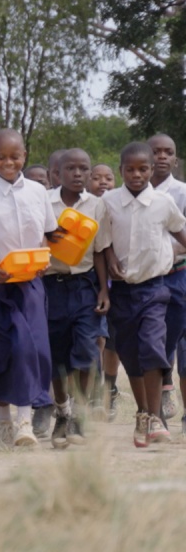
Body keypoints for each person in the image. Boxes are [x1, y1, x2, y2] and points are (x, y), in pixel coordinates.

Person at [0, 129, 60, 447]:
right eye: (2, 157)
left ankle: (24, 421)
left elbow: (46, 233)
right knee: (1, 351)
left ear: (24, 157)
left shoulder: (37, 192)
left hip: (29, 283)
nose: (8, 162)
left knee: (29, 348)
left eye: (14, 157)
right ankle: (3, 417)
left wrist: (45, 257)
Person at [103, 141, 186, 446]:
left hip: (155, 289)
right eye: (130, 169)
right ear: (120, 170)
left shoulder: (163, 203)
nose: (136, 175)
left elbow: (180, 230)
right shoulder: (109, 203)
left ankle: (155, 417)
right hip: (123, 292)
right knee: (130, 355)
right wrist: (110, 259)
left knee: (153, 347)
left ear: (152, 170)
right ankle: (143, 413)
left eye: (143, 169)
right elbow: (103, 242)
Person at [43, 148, 110, 448]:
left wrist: (104, 289)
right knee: (57, 357)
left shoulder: (97, 205)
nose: (78, 174)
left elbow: (100, 251)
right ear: (58, 172)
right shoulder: (45, 202)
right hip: (50, 286)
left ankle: (80, 415)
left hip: (84, 286)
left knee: (85, 351)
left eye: (84, 168)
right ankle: (62, 411)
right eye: (71, 168)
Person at [148, 133, 186, 427]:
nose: (162, 156)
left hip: (177, 275)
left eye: (168, 152)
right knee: (151, 340)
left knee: (176, 339)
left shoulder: (183, 193)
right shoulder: (132, 192)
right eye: (156, 151)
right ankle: (155, 405)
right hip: (145, 279)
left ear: (175, 158)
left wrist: (165, 251)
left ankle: (168, 384)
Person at [88, 162, 121, 419]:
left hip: (119, 282)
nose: (102, 182)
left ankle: (110, 386)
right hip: (94, 281)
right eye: (96, 178)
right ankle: (96, 390)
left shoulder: (119, 204)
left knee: (114, 341)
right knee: (97, 337)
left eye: (108, 177)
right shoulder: (87, 206)